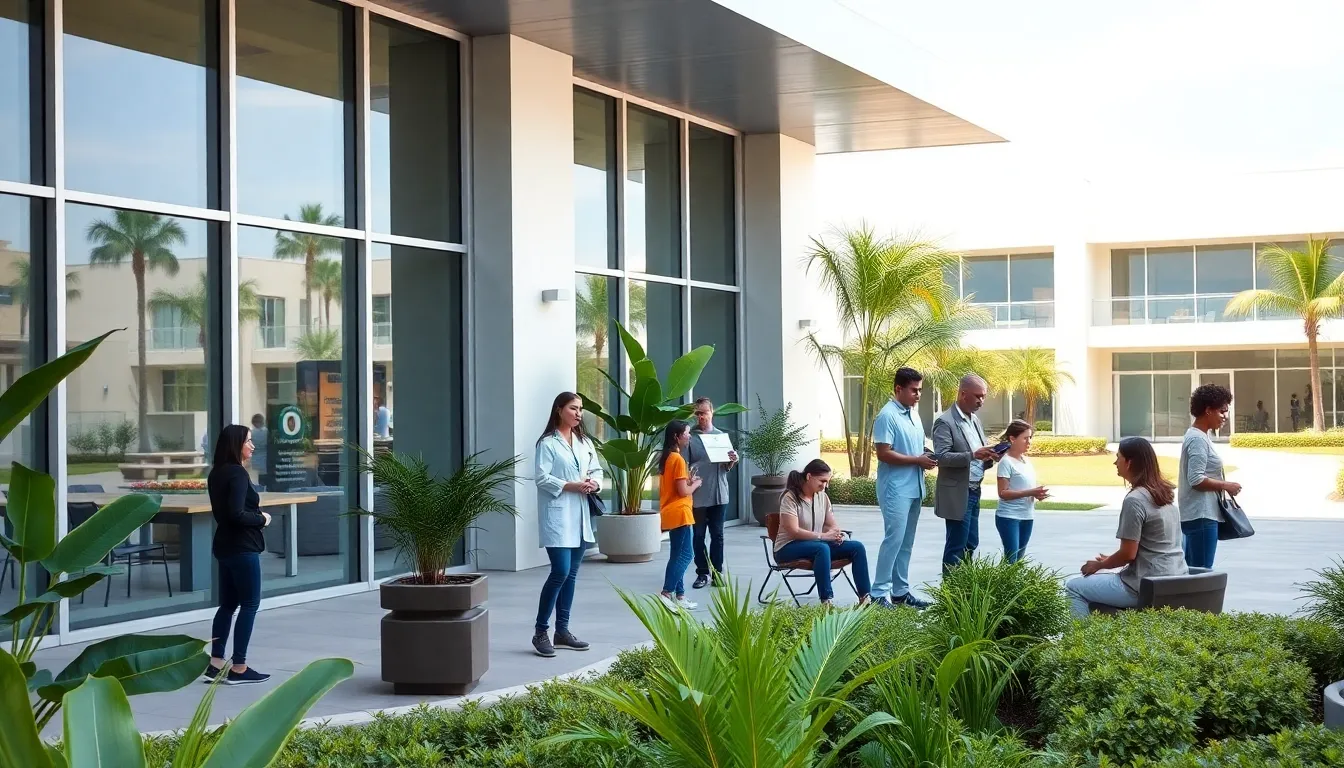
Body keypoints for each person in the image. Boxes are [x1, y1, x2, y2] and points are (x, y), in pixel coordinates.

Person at [1064, 437, 1187, 617]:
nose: (1115, 462)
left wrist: (1100, 565)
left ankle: (1078, 643)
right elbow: (1152, 546)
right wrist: (1111, 558)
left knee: (1073, 587)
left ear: (1129, 462)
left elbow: (1127, 555)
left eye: (1118, 457)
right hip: (1174, 579)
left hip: (1144, 585)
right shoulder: (1164, 495)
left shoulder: (1135, 500)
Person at [533, 392, 602, 658]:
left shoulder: (584, 441)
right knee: (560, 571)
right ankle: (540, 631)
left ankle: (562, 631)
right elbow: (541, 477)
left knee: (571, 574)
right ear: (559, 410)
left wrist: (594, 482)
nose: (578, 413)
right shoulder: (547, 443)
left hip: (581, 513)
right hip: (559, 514)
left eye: (581, 409)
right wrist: (570, 486)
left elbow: (596, 469)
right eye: (574, 408)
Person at [206, 424, 273, 685]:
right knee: (250, 604)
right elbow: (236, 514)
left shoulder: (217, 474)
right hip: (242, 548)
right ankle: (240, 667)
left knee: (228, 605)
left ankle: (215, 663)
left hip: (224, 547)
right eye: (248, 441)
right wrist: (261, 519)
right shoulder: (237, 474)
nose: (252, 446)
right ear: (236, 444)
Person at [871, 367, 936, 609]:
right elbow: (883, 453)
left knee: (906, 543)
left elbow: (915, 448)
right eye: (913, 390)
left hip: (914, 487)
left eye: (920, 390)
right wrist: (917, 460)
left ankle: (900, 592)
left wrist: (926, 456)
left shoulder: (913, 415)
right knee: (893, 540)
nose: (918, 395)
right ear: (898, 389)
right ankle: (878, 593)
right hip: (895, 489)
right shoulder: (887, 416)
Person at [773, 459, 871, 606]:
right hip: (787, 548)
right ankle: (826, 601)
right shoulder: (790, 497)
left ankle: (865, 599)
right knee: (822, 548)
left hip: (816, 546)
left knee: (857, 547)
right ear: (809, 476)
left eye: (827, 482)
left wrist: (835, 535)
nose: (825, 485)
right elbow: (793, 531)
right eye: (822, 481)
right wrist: (824, 537)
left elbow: (831, 525)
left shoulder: (823, 497)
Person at [933, 374, 999, 573]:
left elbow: (978, 453)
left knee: (971, 542)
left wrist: (990, 456)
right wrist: (972, 455)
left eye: (984, 396)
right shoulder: (945, 422)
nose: (981, 401)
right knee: (956, 546)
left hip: (974, 489)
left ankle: (965, 588)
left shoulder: (975, 420)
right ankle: (950, 595)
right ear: (963, 394)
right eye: (978, 396)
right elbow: (942, 457)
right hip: (957, 492)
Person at [1180, 383, 1239, 569]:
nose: (1225, 417)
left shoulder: (1199, 436)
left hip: (1198, 514)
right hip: (1201, 515)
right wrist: (1226, 485)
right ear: (1208, 410)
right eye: (1222, 411)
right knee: (1201, 574)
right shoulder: (1197, 439)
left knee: (1193, 572)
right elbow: (1196, 479)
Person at [687, 397, 738, 589]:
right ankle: (702, 573)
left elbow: (726, 466)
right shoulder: (691, 437)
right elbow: (684, 464)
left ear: (712, 412)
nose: (701, 417)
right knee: (698, 535)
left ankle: (717, 573)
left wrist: (732, 460)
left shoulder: (721, 437)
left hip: (719, 493)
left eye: (704, 413)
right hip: (699, 493)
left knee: (718, 535)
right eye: (698, 413)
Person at [658, 421, 701, 611]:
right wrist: (696, 484)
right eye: (687, 433)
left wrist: (688, 482)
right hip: (680, 512)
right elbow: (683, 491)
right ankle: (667, 593)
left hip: (671, 512)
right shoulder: (677, 459)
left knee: (676, 555)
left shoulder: (668, 458)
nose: (689, 436)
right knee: (687, 554)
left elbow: (677, 487)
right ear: (677, 436)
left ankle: (680, 595)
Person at [994, 420, 1048, 563]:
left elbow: (1025, 487)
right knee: (1011, 558)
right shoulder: (1006, 462)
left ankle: (1014, 585)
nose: (1028, 442)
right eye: (1025, 438)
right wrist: (1030, 492)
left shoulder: (1026, 461)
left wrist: (1038, 494)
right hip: (1009, 517)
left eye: (1030, 438)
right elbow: (1003, 493)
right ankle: (1003, 585)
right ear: (1012, 439)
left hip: (1027, 516)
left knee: (1018, 559)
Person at [249, 413, 269, 486]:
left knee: (257, 477)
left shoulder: (251, 433)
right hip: (264, 457)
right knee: (263, 476)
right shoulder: (267, 432)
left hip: (255, 458)